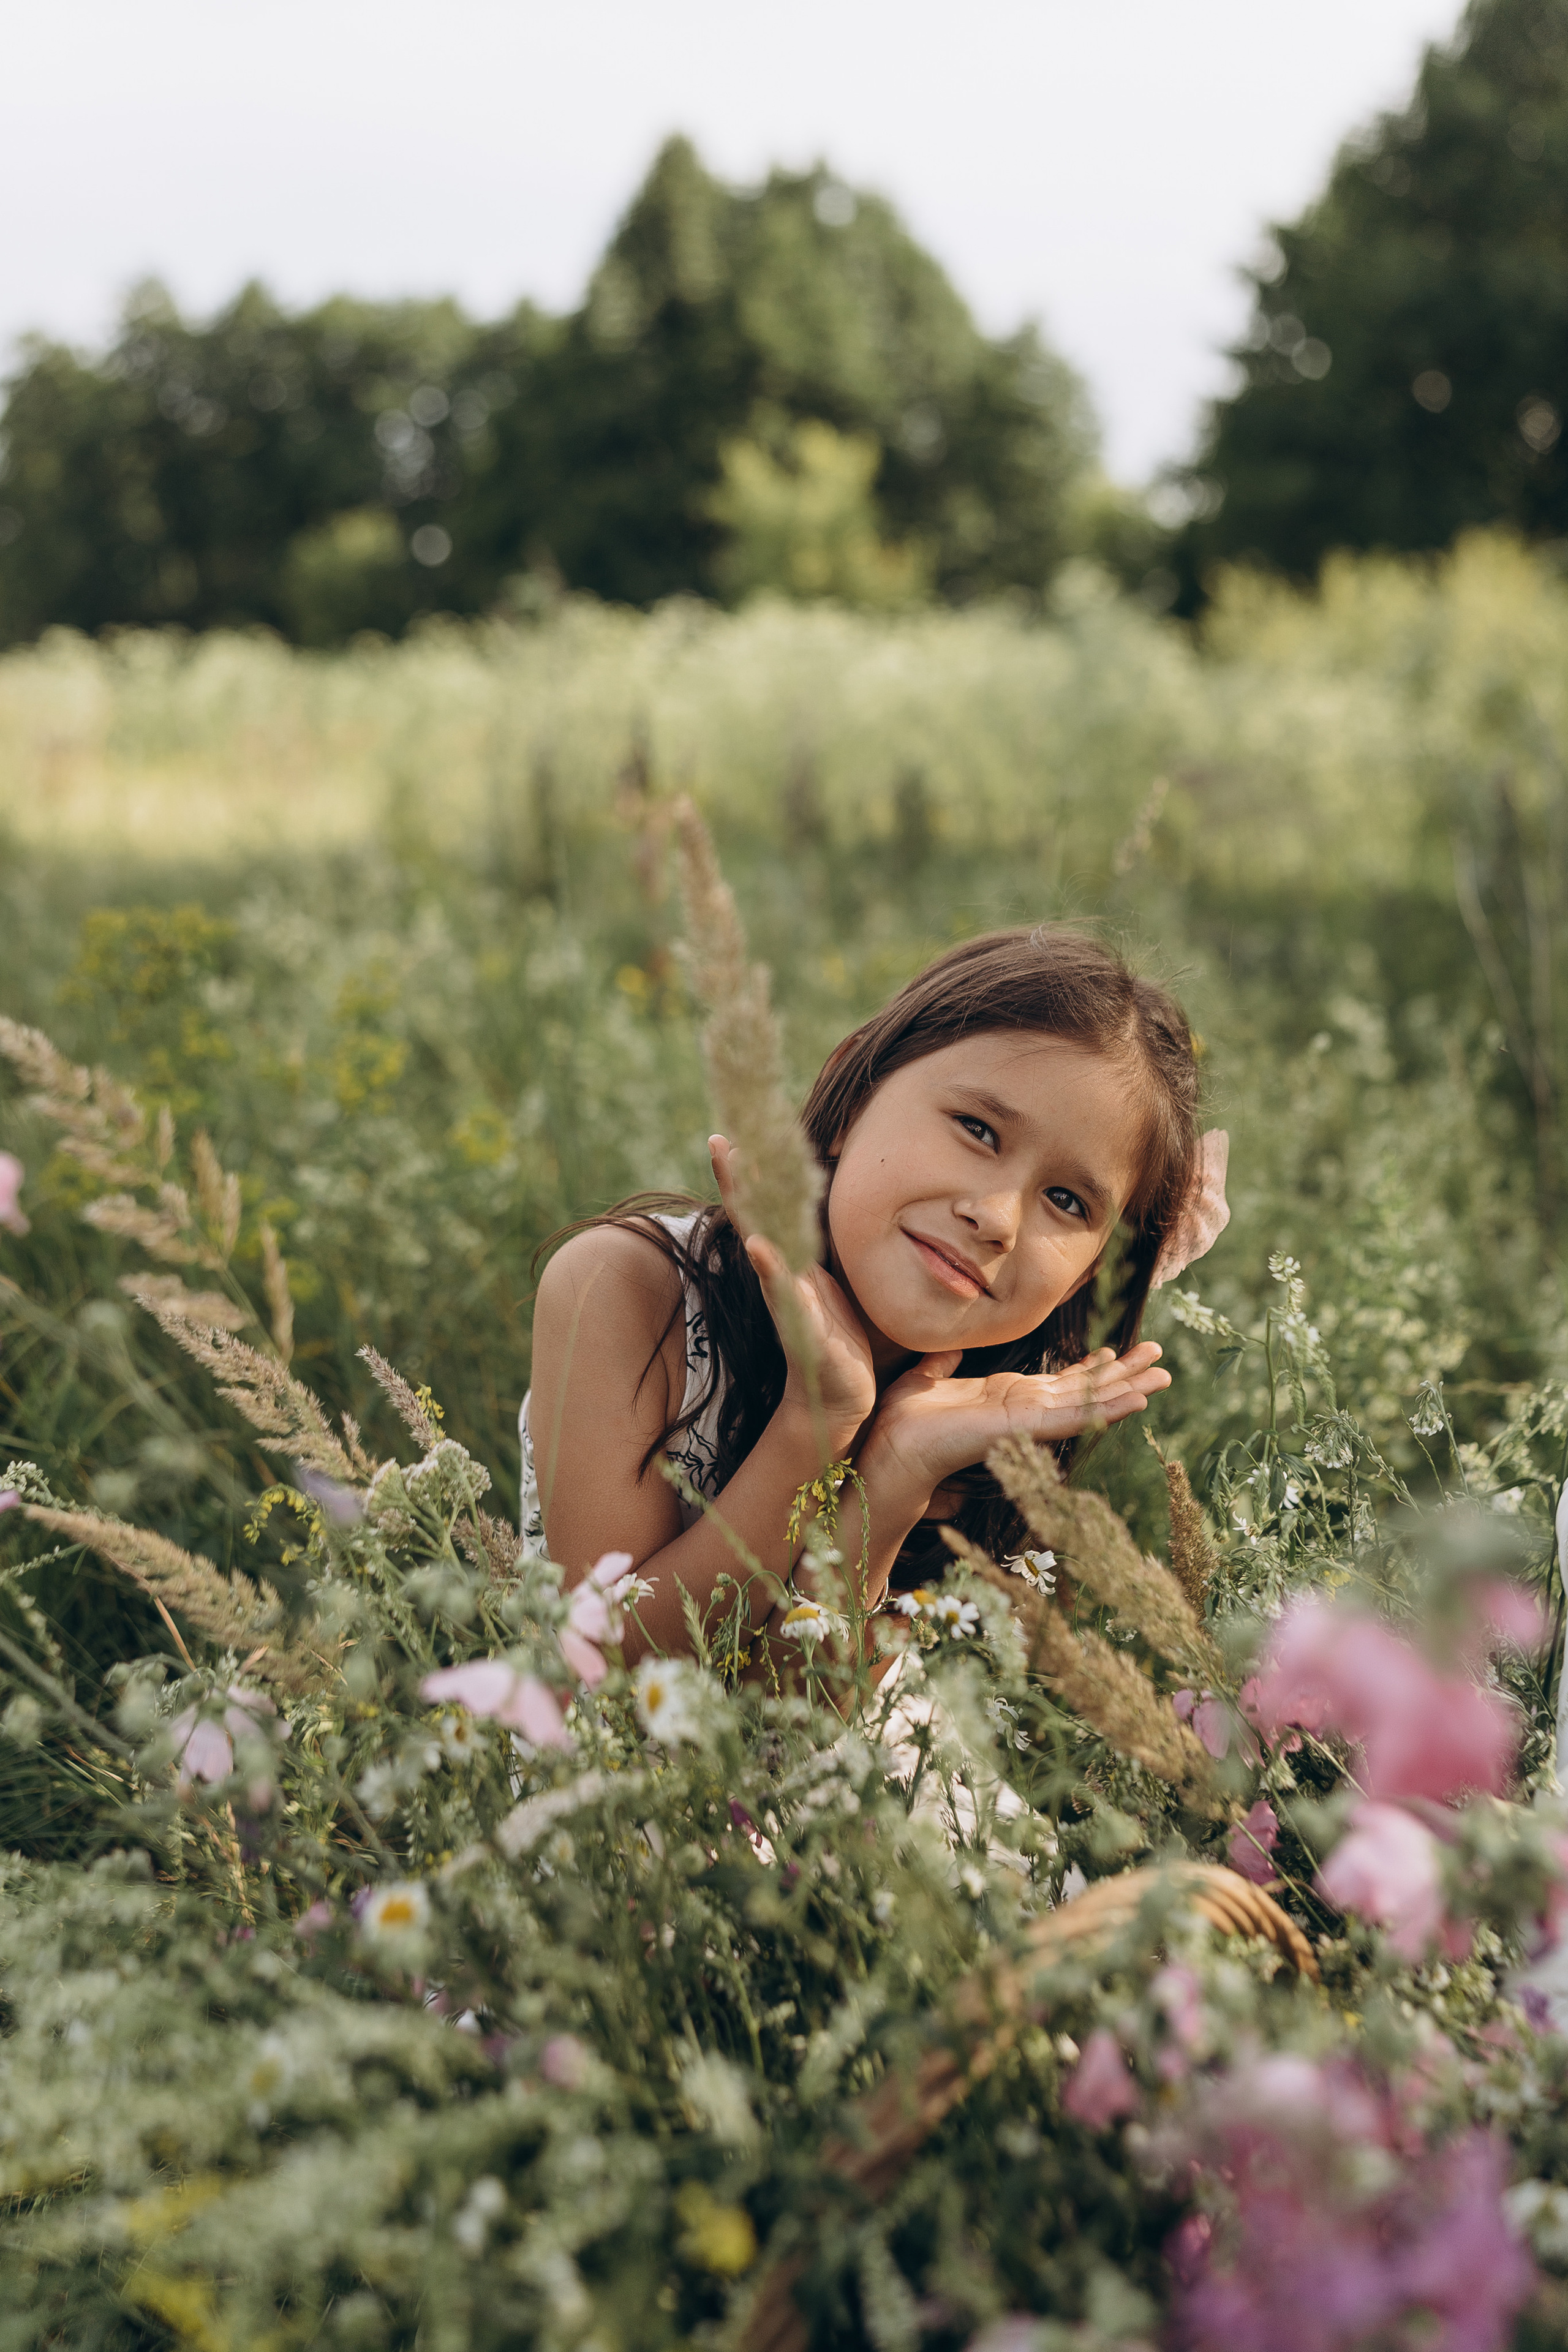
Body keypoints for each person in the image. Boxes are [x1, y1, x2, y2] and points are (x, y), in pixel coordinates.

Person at [521, 926, 1228, 1666]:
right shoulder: (624, 1290)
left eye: (1065, 1200)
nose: (996, 1217)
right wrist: (816, 1419)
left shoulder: (977, 1419)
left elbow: (797, 1737)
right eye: (978, 1129)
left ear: (1087, 1275)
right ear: (854, 1092)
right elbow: (605, 1677)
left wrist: (893, 1480)